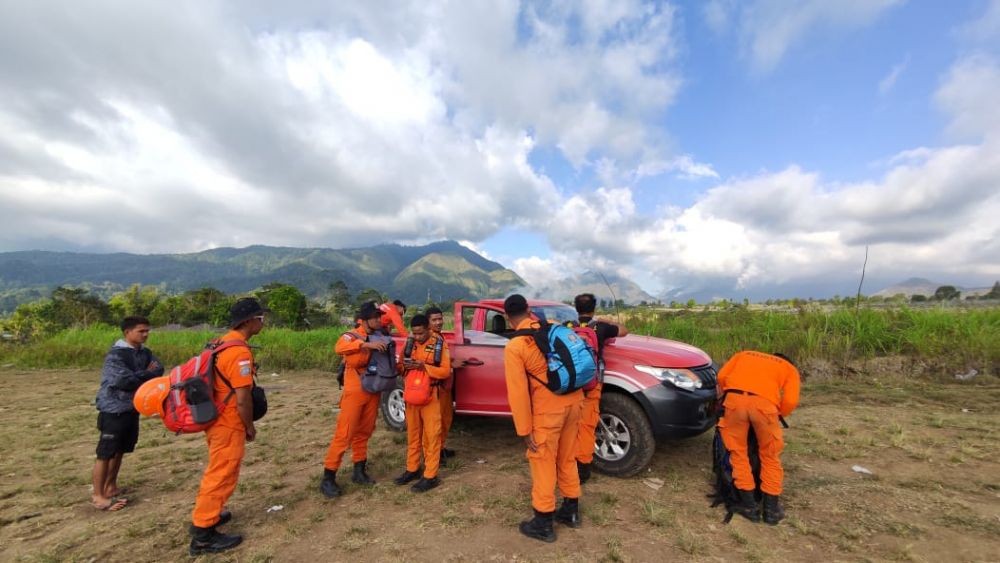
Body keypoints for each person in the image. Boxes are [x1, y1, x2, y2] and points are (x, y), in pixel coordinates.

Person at [503, 294, 585, 542]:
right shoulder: (549, 327)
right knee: (567, 456)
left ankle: (543, 521)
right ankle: (570, 511)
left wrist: (524, 430)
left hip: (548, 412)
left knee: (542, 461)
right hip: (574, 401)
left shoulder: (515, 347)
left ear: (507, 317)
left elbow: (518, 393)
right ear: (529, 310)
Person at [189, 297, 267, 555]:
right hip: (228, 422)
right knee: (222, 473)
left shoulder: (220, 343)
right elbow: (243, 399)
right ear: (248, 321)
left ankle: (211, 514)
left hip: (215, 418)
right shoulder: (238, 352)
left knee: (219, 469)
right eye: (260, 318)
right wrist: (250, 427)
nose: (262, 322)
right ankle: (203, 534)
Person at [716, 350, 801, 525]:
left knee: (738, 453)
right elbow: (791, 401)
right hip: (765, 406)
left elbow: (722, 376)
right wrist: (776, 414)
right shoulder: (789, 368)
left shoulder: (744, 354)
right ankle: (771, 511)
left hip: (734, 401)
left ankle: (748, 506)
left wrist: (731, 393)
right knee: (770, 456)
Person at [91, 316, 163, 511]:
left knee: (121, 449)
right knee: (106, 452)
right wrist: (145, 374)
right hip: (113, 408)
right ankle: (98, 495)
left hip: (132, 407)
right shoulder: (116, 356)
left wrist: (139, 375)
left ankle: (111, 486)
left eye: (147, 330)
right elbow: (124, 381)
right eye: (141, 331)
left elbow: (159, 370)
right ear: (127, 332)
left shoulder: (144, 353)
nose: (146, 334)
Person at [320, 301, 385, 498]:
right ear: (364, 319)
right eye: (374, 316)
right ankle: (328, 477)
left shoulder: (380, 336)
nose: (378, 319)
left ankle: (359, 470)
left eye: (379, 316)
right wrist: (365, 344)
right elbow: (339, 347)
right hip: (354, 391)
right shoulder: (351, 335)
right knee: (345, 434)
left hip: (373, 389)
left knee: (364, 432)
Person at [570, 293, 628, 483]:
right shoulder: (600, 327)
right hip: (591, 384)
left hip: (570, 385)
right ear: (594, 308)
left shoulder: (568, 327)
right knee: (587, 425)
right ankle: (583, 468)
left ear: (575, 308)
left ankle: (566, 462)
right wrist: (603, 320)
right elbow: (623, 331)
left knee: (570, 425)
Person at [393, 314, 451, 492]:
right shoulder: (409, 344)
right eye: (414, 333)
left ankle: (430, 475)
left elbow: (445, 372)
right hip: (411, 395)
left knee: (431, 436)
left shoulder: (439, 344)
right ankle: (412, 469)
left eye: (420, 333)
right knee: (413, 434)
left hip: (431, 395)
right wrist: (404, 366)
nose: (417, 337)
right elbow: (400, 366)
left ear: (428, 328)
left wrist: (423, 367)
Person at [426, 306, 456, 461]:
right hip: (436, 386)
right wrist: (449, 366)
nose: (438, 322)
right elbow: (431, 363)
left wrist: (451, 362)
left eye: (440, 319)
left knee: (446, 418)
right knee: (437, 422)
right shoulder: (430, 339)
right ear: (428, 322)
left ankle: (441, 447)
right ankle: (435, 454)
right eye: (434, 320)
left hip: (444, 387)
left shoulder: (439, 337)